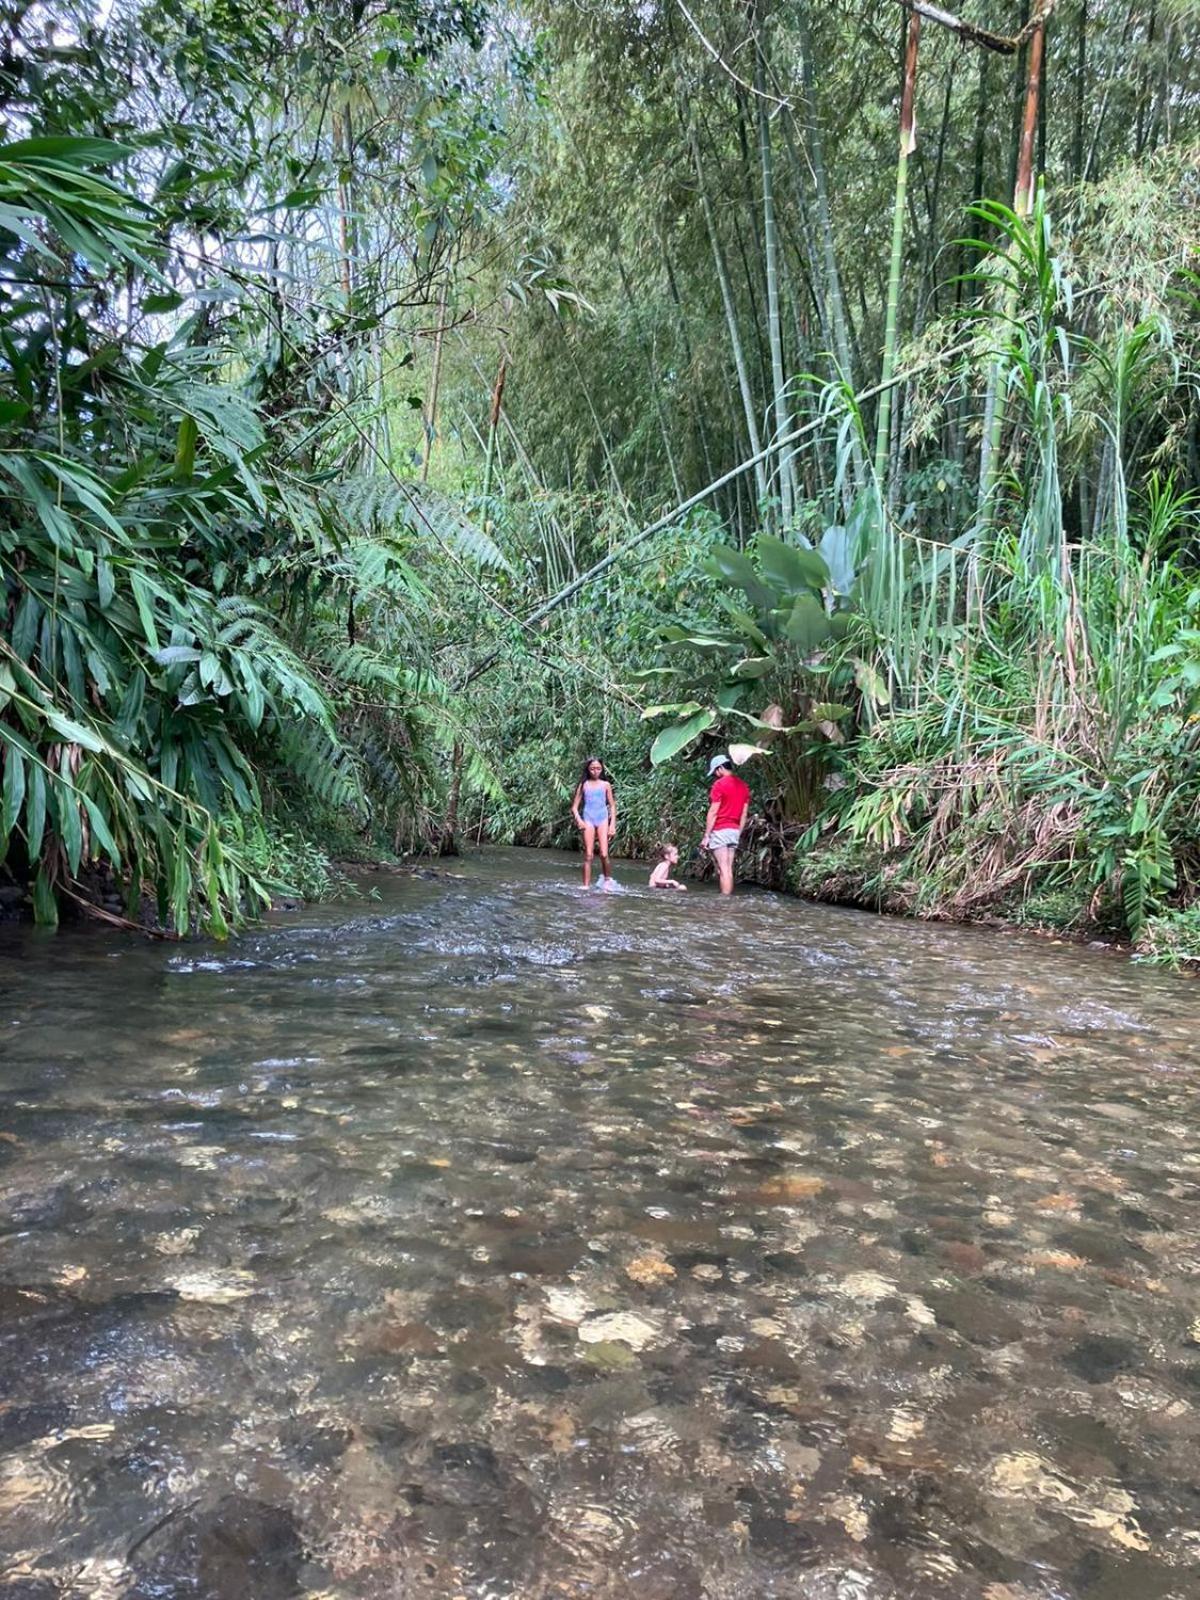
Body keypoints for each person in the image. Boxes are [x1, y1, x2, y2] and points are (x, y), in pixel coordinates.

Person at [701, 753, 750, 896]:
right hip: (734, 831)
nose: (716, 775)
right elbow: (744, 814)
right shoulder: (744, 786)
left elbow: (713, 812)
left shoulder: (719, 785)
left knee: (723, 869)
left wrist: (706, 836)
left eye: (716, 771)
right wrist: (738, 832)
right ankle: (727, 899)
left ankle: (725, 901)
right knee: (728, 868)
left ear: (720, 768)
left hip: (720, 830)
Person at [571, 756, 618, 890]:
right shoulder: (583, 785)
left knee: (604, 854)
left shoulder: (606, 785)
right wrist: (579, 820)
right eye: (592, 768)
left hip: (602, 818)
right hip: (588, 819)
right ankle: (585, 886)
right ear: (588, 769)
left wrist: (612, 824)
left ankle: (607, 880)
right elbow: (574, 807)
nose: (595, 771)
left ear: (602, 769)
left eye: (598, 768)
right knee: (589, 855)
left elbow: (612, 805)